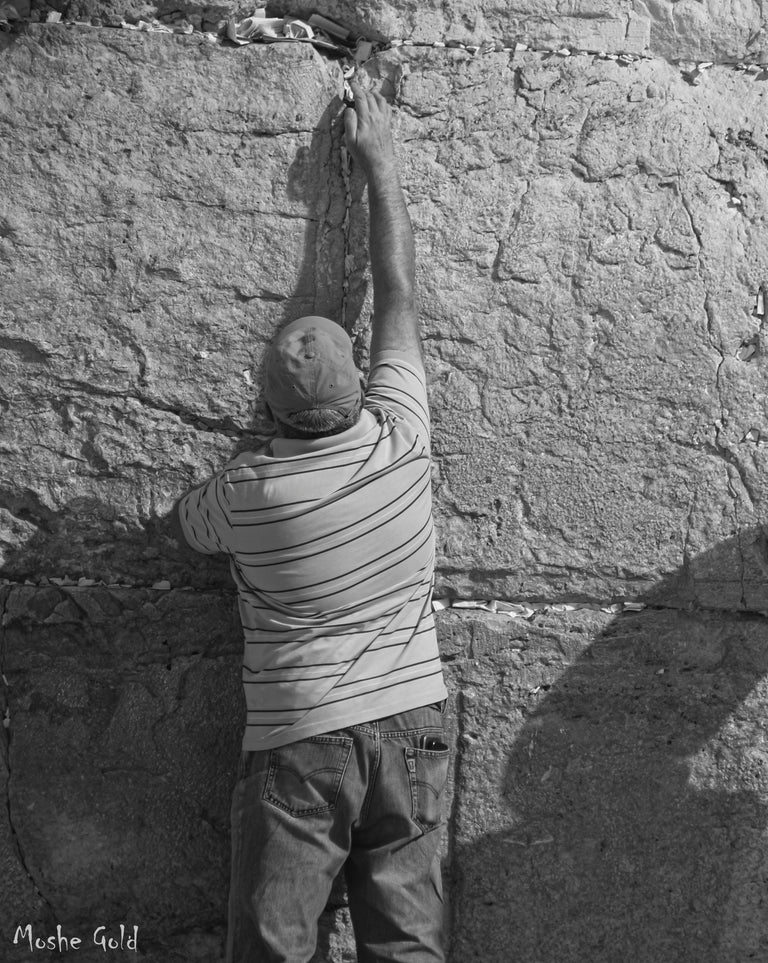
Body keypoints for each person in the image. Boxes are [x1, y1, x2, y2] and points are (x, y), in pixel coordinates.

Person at [176, 85, 450, 962]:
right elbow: (400, 292)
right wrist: (383, 167)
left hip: (300, 738)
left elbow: (187, 526)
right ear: (360, 386)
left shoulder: (250, 494)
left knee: (272, 947)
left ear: (266, 408)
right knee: (409, 948)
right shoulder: (403, 439)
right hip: (415, 718)